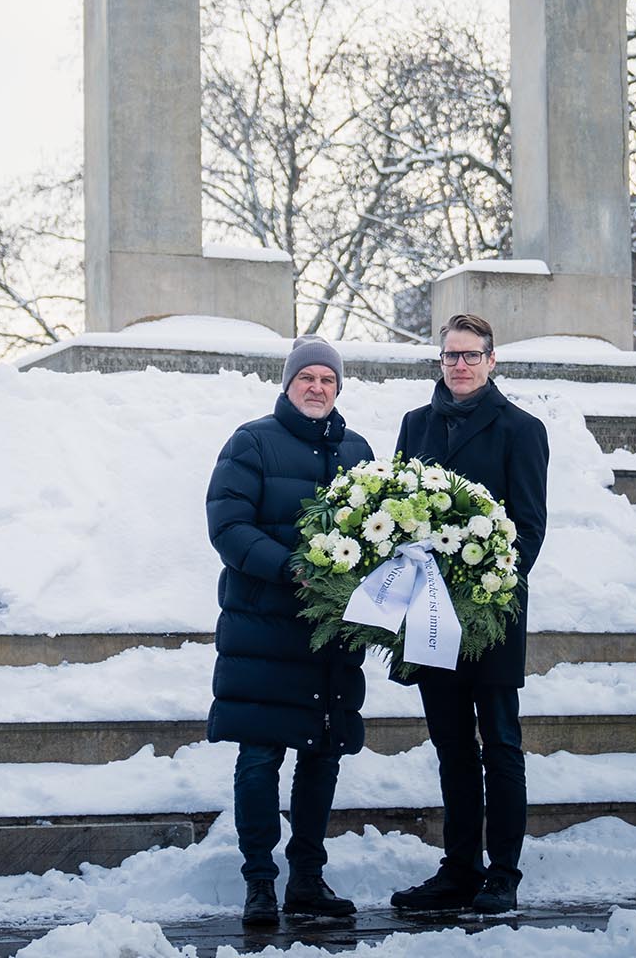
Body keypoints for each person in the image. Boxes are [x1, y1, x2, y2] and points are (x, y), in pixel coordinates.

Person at [206, 335, 374, 928]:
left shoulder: (357, 449)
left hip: (330, 636)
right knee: (259, 757)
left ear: (338, 389)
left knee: (322, 755)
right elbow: (227, 526)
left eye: (328, 379)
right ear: (287, 383)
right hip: (264, 632)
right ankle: (259, 882)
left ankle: (307, 878)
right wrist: (290, 567)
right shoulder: (251, 442)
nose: (317, 387)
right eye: (307, 377)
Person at [388, 313, 549, 915]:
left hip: (492, 616)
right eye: (451, 356)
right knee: (451, 746)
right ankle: (458, 869)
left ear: (491, 359)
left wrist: (488, 591)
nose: (460, 365)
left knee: (500, 743)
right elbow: (399, 513)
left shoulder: (521, 429)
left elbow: (529, 527)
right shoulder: (415, 426)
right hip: (429, 618)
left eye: (471, 355)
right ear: (440, 361)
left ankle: (502, 873)